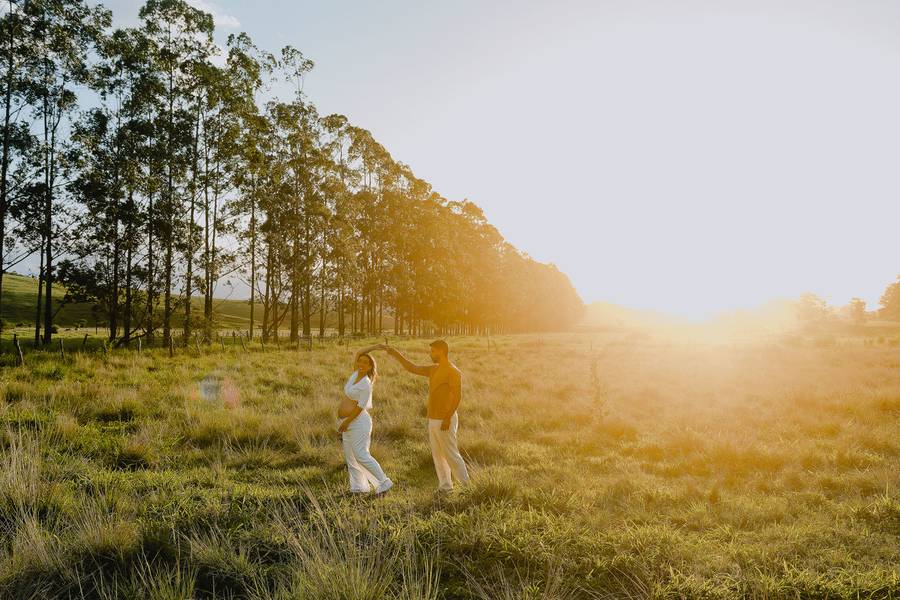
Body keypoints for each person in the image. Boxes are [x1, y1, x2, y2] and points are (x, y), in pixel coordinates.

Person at [381, 339, 470, 492]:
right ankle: (445, 487)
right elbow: (412, 368)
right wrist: (395, 353)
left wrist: (448, 417)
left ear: (441, 351)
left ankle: (467, 487)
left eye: (433, 351)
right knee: (438, 455)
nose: (430, 354)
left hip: (445, 419)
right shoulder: (434, 369)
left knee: (451, 454)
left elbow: (457, 396)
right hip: (433, 418)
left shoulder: (453, 371)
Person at [337, 345, 393, 495]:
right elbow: (359, 351)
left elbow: (360, 407)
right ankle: (358, 487)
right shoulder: (355, 375)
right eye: (359, 361)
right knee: (351, 458)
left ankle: (384, 481)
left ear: (370, 367)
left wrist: (346, 422)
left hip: (358, 422)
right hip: (348, 422)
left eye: (365, 363)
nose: (361, 364)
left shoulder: (366, 384)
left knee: (361, 454)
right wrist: (376, 347)